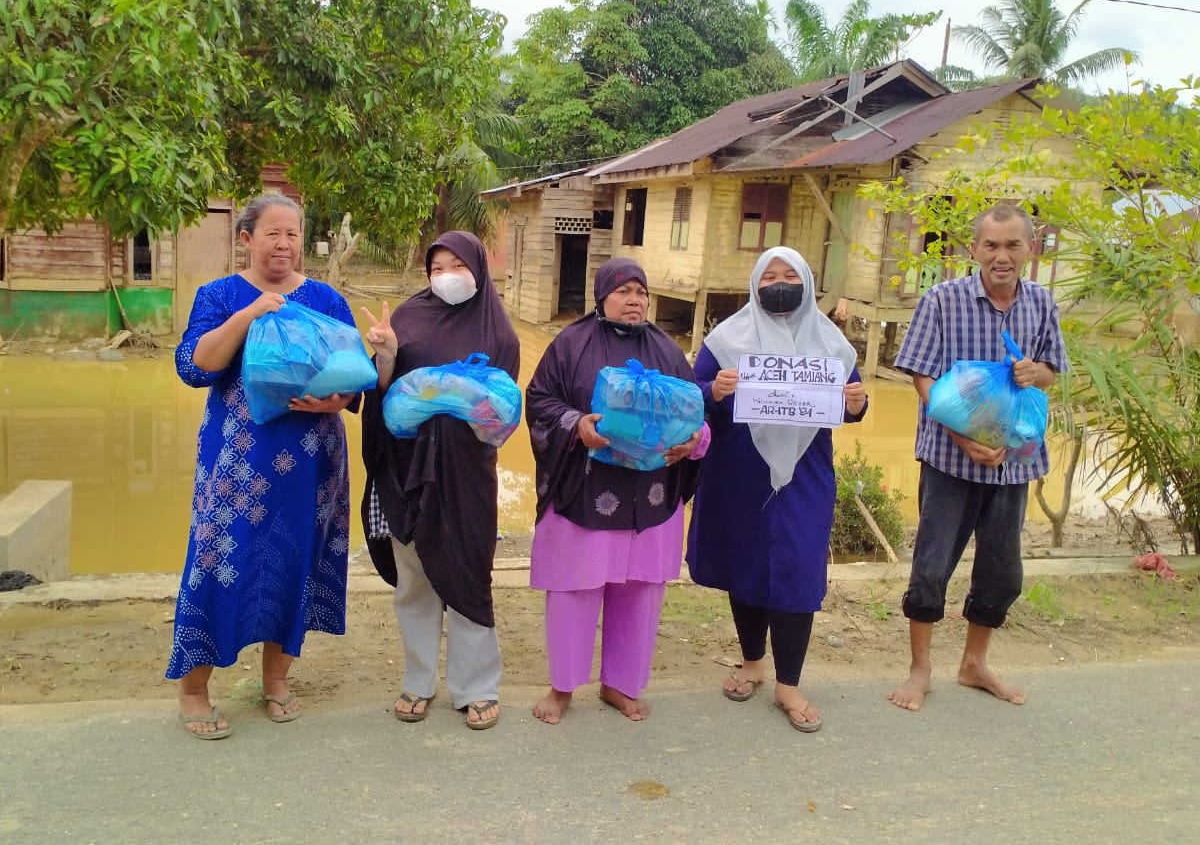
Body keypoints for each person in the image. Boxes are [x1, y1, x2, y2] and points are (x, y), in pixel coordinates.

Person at [166, 193, 359, 739]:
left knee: (294, 563)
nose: (285, 244)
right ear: (246, 238)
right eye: (273, 233)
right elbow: (195, 366)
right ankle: (194, 689)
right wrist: (249, 315)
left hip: (311, 464)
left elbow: (352, 373)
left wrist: (338, 400)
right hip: (237, 465)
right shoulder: (220, 295)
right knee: (217, 564)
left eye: (293, 234)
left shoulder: (325, 298)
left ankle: (275, 681)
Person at [888, 203, 1067, 712]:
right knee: (931, 565)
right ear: (974, 250)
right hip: (950, 457)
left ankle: (974, 664)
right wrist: (962, 434)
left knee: (1000, 569)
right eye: (991, 245)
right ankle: (920, 669)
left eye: (1013, 244)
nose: (1002, 255)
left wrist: (1037, 374)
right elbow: (921, 374)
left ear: (1030, 249)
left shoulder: (1041, 303)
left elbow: (1054, 370)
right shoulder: (942, 300)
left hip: (1014, 462)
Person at [688, 246, 867, 733]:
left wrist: (858, 401)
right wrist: (714, 392)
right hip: (739, 470)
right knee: (746, 563)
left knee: (798, 567)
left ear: (807, 282)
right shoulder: (726, 339)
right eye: (770, 276)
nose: (780, 283)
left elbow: (851, 406)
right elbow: (694, 398)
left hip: (805, 474)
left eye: (791, 275)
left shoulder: (831, 345)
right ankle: (751, 663)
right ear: (754, 284)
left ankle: (789, 682)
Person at [526, 259, 710, 724]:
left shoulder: (668, 350)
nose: (635, 300)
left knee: (640, 591)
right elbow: (541, 402)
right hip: (586, 493)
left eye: (641, 292)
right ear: (602, 295)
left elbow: (695, 413)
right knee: (574, 590)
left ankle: (620, 685)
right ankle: (563, 687)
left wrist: (694, 441)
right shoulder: (570, 345)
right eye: (625, 291)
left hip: (649, 496)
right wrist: (577, 424)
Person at [359, 231, 520, 731]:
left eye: (457, 264)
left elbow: (502, 420)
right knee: (415, 581)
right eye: (436, 267)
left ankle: (477, 687)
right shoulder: (407, 318)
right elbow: (379, 395)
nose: (446, 275)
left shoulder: (500, 335)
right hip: (405, 470)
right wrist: (385, 355)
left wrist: (458, 401)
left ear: (478, 267)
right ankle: (418, 680)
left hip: (465, 476)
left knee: (469, 576)